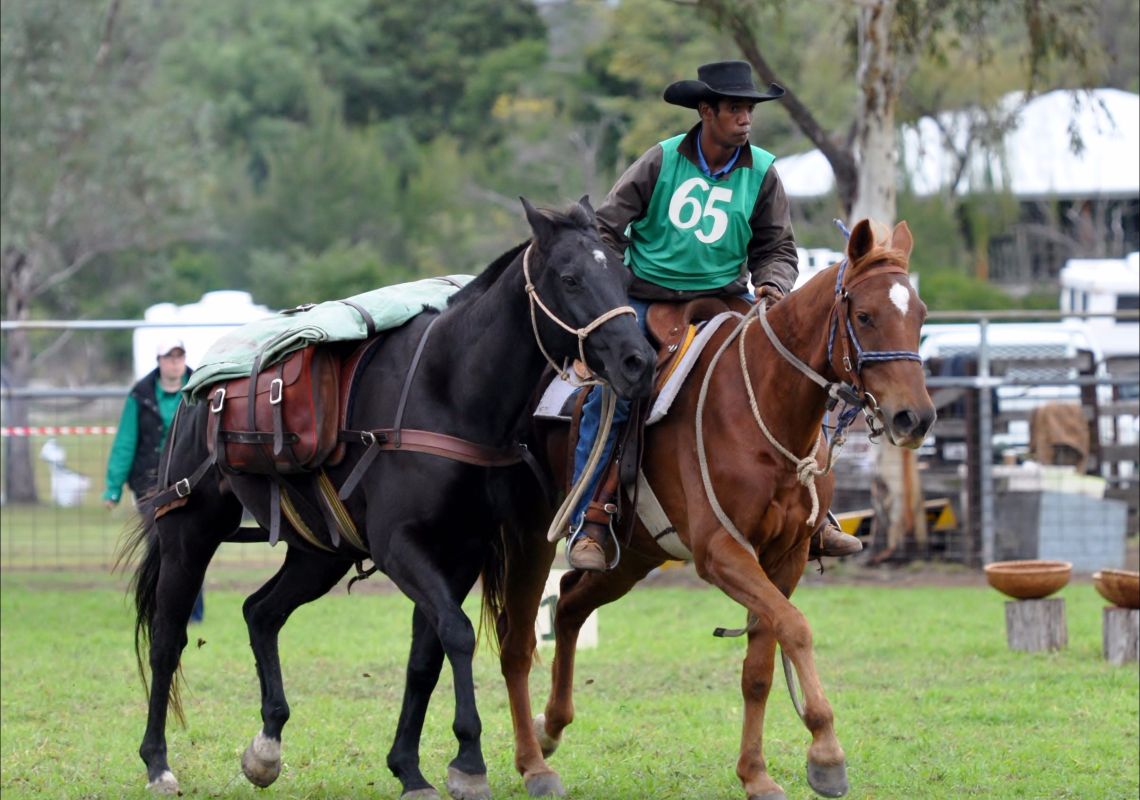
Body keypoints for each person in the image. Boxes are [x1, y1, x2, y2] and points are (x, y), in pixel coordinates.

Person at [566, 60, 863, 571]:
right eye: (734, 109)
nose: (745, 118)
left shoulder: (764, 170)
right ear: (706, 111)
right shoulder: (659, 161)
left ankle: (816, 514)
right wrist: (611, 297)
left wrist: (771, 287)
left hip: (729, 299)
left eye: (749, 109)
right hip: (647, 299)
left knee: (796, 380)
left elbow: (778, 247)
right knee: (614, 393)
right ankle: (590, 517)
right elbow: (604, 231)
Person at [104, 337, 204, 622]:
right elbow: (125, 442)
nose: (175, 362)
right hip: (149, 480)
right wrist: (113, 488)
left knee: (195, 542)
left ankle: (194, 611)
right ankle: (161, 607)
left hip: (192, 477)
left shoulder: (200, 388)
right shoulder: (140, 395)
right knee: (160, 541)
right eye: (169, 357)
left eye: (179, 356)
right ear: (159, 361)